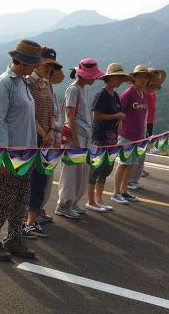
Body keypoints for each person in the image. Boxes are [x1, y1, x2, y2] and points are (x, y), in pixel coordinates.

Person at [0, 39, 41, 261]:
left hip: (26, 152)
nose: (36, 67)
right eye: (34, 63)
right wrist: (3, 155)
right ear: (24, 62)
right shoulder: (4, 82)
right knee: (5, 197)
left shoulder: (25, 84)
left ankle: (14, 238)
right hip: (10, 153)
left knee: (21, 198)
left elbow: (27, 119)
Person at [22, 47, 63, 239]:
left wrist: (52, 129)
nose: (50, 69)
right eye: (47, 65)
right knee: (29, 179)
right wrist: (42, 133)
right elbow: (30, 112)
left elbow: (52, 110)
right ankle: (23, 221)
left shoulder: (47, 84)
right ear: (37, 63)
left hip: (46, 137)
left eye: (53, 66)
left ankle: (31, 221)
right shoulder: (28, 82)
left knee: (41, 179)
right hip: (34, 136)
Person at [55, 58, 102, 219]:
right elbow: (70, 115)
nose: (95, 78)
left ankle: (73, 201)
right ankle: (64, 203)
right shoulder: (73, 89)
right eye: (93, 75)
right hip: (76, 137)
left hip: (85, 136)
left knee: (82, 171)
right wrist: (74, 139)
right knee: (70, 172)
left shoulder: (83, 89)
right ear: (84, 75)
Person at [85, 63, 131, 212]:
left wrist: (118, 120)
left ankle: (99, 200)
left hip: (111, 137)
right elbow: (96, 116)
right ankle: (91, 201)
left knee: (105, 170)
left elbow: (117, 113)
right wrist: (116, 116)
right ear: (110, 78)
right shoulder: (102, 94)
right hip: (99, 137)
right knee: (95, 169)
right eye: (118, 77)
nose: (119, 81)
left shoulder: (115, 95)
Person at [112, 64, 151, 205]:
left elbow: (142, 116)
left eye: (146, 77)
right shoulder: (128, 94)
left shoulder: (143, 95)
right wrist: (120, 130)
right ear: (133, 78)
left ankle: (124, 190)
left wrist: (143, 134)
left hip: (138, 137)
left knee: (131, 165)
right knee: (123, 164)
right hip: (126, 135)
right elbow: (118, 112)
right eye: (140, 77)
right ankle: (116, 193)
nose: (143, 80)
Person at [129, 67, 165, 188]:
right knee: (136, 153)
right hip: (140, 125)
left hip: (148, 122)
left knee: (142, 151)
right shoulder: (140, 93)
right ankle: (130, 179)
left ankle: (135, 177)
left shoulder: (150, 92)